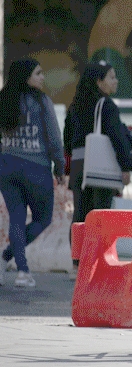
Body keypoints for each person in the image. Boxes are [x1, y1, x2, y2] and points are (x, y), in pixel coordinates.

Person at [0, 58, 65, 287]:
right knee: (43, 218)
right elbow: (54, 137)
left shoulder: (3, 99)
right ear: (27, 76)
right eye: (38, 73)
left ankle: (20, 269)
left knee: (16, 218)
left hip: (7, 166)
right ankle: (11, 260)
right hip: (35, 167)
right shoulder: (41, 101)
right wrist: (60, 166)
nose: (42, 77)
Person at [64, 63, 132, 265]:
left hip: (79, 165)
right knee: (101, 216)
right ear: (99, 81)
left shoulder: (76, 105)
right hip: (100, 167)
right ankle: (97, 262)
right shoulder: (106, 105)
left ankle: (78, 263)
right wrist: (126, 166)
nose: (116, 81)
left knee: (79, 216)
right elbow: (117, 137)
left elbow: (66, 138)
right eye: (112, 77)